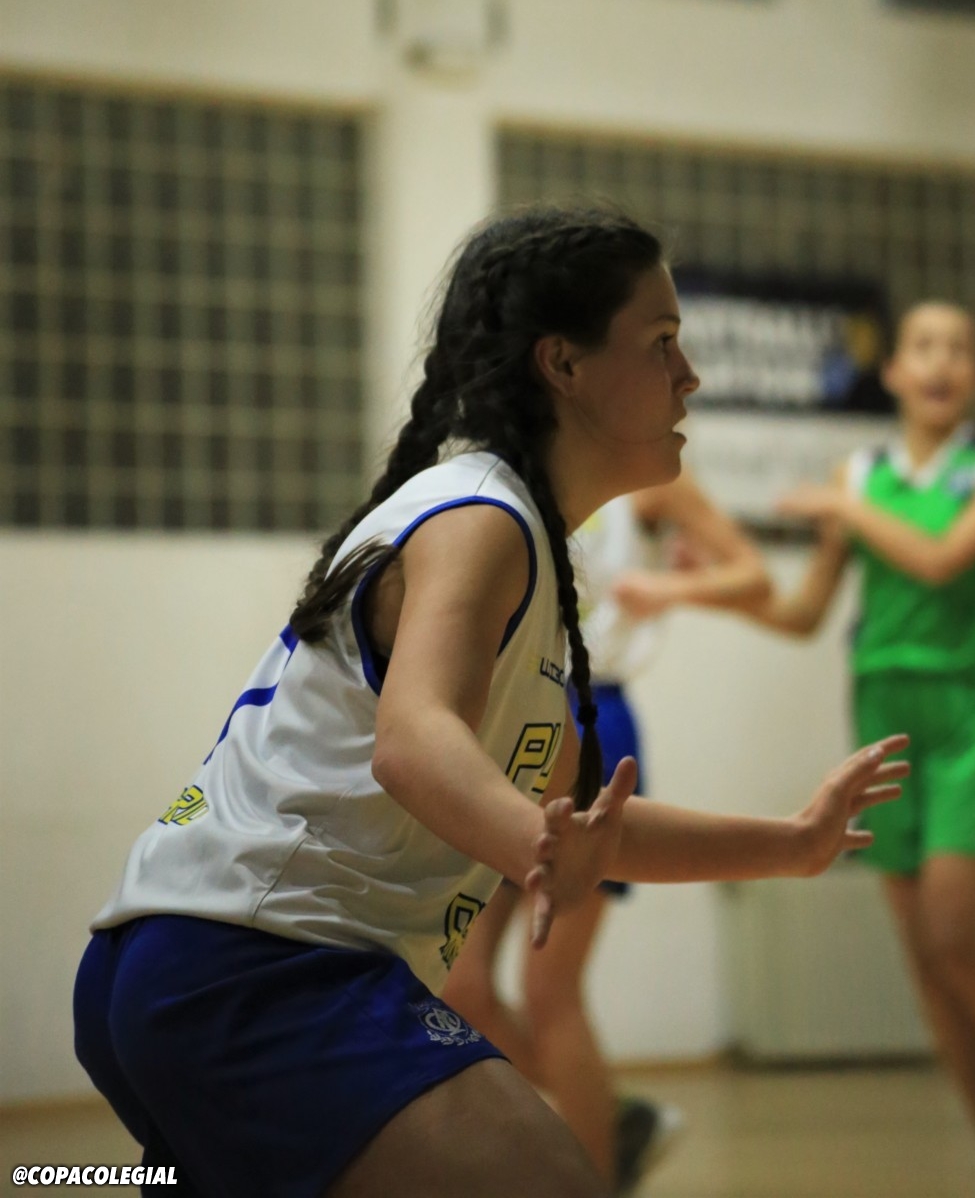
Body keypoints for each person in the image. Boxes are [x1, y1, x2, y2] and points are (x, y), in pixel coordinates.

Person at [72, 207, 908, 1198]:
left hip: (186, 959)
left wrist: (794, 843)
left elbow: (587, 821)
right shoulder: (482, 518)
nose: (689, 376)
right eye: (660, 342)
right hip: (258, 965)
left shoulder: (525, 544)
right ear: (564, 363)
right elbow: (412, 741)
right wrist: (534, 846)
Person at [738, 301, 975, 1198]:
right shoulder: (858, 475)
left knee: (954, 935)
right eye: (924, 347)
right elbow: (805, 613)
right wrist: (701, 592)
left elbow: (940, 560)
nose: (941, 362)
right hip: (881, 713)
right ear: (894, 371)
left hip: (968, 713)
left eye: (959, 349)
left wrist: (845, 507)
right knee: (926, 960)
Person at [444, 468, 770, 1192]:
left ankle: (593, 1170)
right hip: (506, 723)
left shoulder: (647, 482)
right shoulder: (506, 471)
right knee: (462, 986)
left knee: (549, 990)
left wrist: (670, 589)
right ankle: (613, 1118)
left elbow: (753, 575)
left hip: (593, 717)